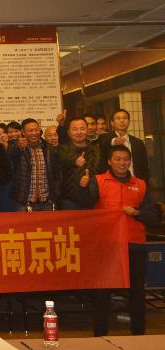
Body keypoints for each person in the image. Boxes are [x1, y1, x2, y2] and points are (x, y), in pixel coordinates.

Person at [78, 145, 160, 336]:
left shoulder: (140, 184)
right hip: (107, 244)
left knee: (137, 290)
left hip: (134, 244)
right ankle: (100, 333)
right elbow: (85, 205)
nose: (122, 163)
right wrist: (82, 188)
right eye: (118, 159)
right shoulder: (98, 181)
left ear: (130, 161)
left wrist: (137, 213)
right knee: (102, 291)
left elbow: (152, 216)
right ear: (109, 161)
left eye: (125, 159)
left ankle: (138, 332)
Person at [7, 118, 60, 212]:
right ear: (23, 132)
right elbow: (9, 155)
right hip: (23, 202)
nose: (34, 133)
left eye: (36, 130)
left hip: (47, 201)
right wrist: (18, 147)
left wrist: (54, 196)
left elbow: (56, 174)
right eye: (30, 130)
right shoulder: (16, 145)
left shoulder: (48, 148)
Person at [57, 117, 102, 210]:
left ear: (87, 130)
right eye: (75, 129)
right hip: (69, 202)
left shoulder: (96, 150)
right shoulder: (62, 150)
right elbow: (63, 160)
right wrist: (74, 161)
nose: (79, 132)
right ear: (69, 132)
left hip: (93, 200)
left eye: (82, 129)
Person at [98, 109, 149, 182]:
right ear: (112, 123)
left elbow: (144, 167)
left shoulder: (138, 143)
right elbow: (103, 144)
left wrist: (145, 183)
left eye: (125, 118)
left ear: (129, 122)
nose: (122, 121)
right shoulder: (104, 138)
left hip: (135, 182)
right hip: (113, 182)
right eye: (118, 118)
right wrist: (113, 141)